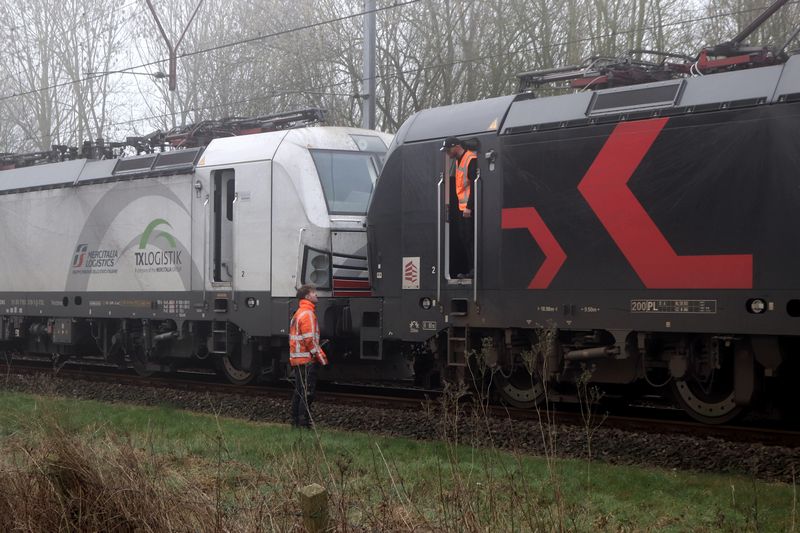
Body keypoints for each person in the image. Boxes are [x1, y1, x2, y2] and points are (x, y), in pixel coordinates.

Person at [289, 284, 328, 428]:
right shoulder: (308, 314)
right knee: (307, 392)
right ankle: (303, 423)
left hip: (298, 359)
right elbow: (310, 340)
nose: (316, 295)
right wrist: (322, 358)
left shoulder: (299, 313)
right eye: (313, 293)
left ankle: (295, 422)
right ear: (307, 297)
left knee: (299, 391)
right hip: (307, 360)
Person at [441, 136, 478, 278]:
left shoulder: (470, 159)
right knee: (464, 238)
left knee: (469, 239)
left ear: (456, 146)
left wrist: (469, 207)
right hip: (462, 208)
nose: (447, 153)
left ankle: (474, 270)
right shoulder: (457, 161)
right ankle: (470, 269)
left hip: (469, 209)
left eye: (448, 149)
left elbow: (475, 184)